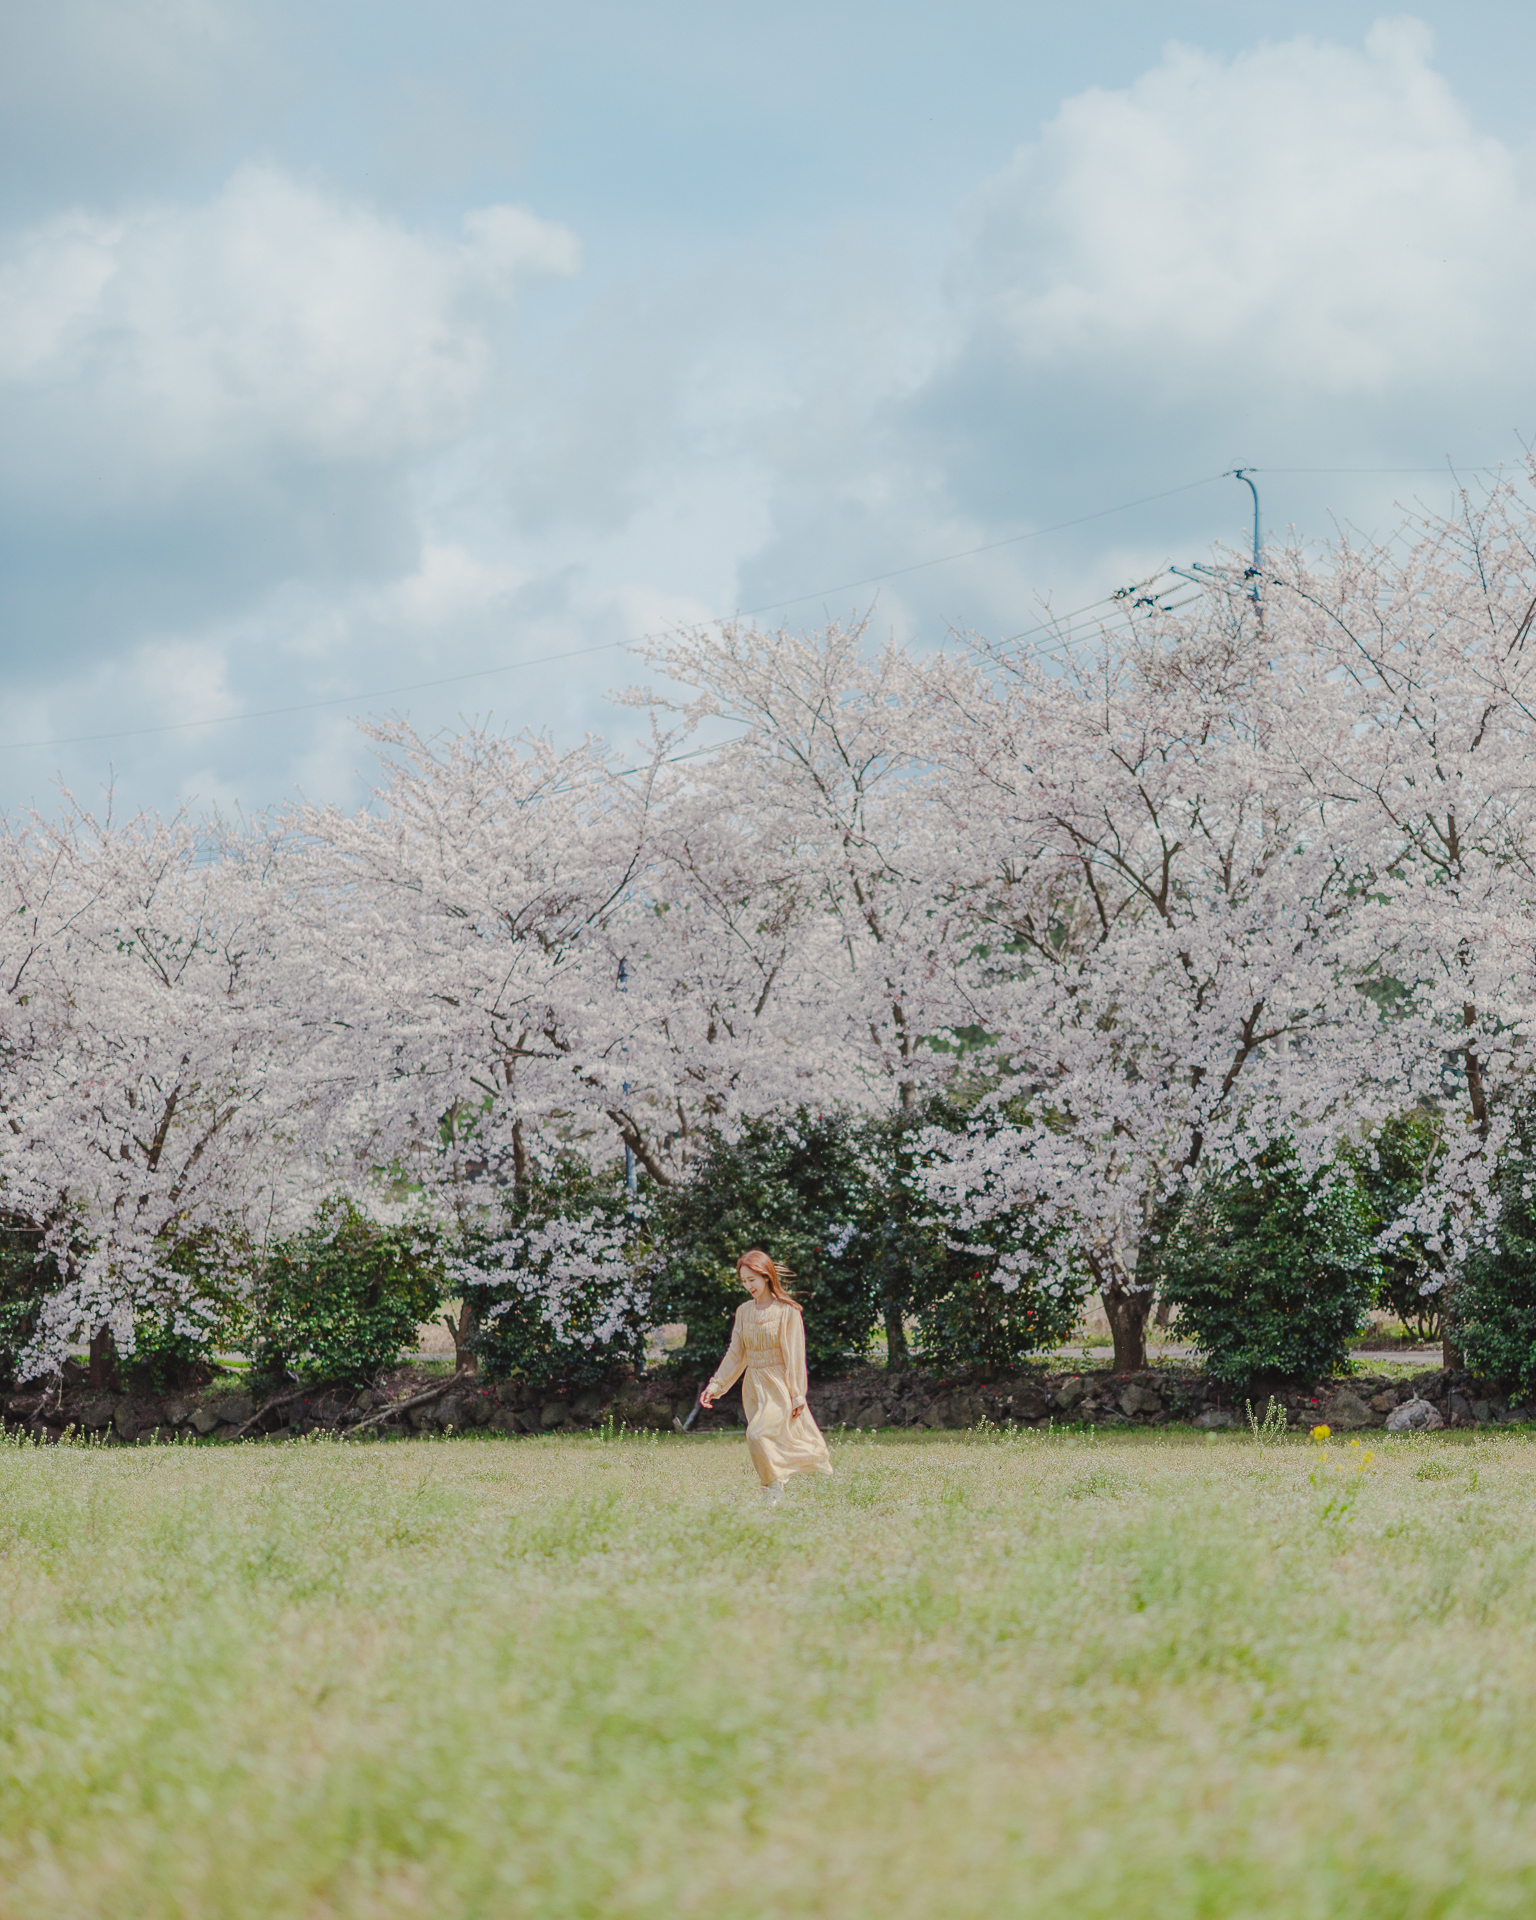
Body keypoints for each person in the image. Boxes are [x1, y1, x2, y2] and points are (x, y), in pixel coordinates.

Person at [698, 1249, 833, 1504]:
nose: (748, 1286)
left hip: (779, 1385)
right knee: (766, 1438)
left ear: (766, 1276)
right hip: (753, 1387)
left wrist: (797, 1394)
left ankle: (774, 1490)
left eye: (752, 1279)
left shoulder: (788, 1311)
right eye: (743, 1281)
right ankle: (776, 1487)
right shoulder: (743, 1311)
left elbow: (795, 1357)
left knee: (757, 1434)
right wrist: (716, 1384)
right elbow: (736, 1354)